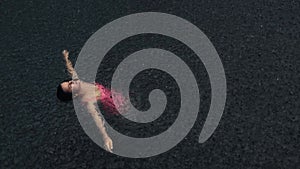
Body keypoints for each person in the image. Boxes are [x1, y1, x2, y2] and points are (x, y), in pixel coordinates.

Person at [57, 50, 127, 152]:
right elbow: (96, 118)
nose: (71, 82)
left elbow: (71, 71)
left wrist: (66, 58)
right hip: (118, 107)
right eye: (69, 86)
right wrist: (105, 137)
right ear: (74, 94)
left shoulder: (77, 83)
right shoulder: (87, 100)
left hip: (115, 95)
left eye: (68, 81)